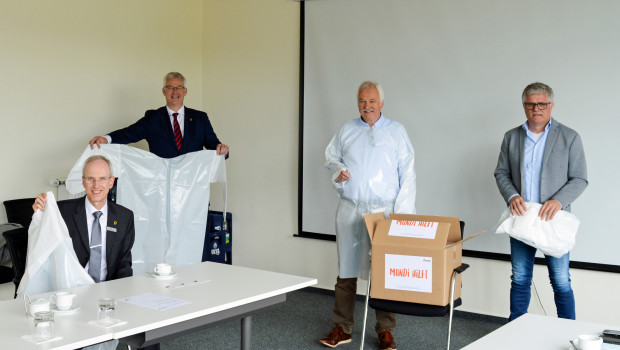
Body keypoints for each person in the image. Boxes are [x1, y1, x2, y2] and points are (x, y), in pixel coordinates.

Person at [321, 81, 416, 350]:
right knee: (346, 271)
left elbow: (408, 174)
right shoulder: (347, 130)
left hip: (383, 212)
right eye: (362, 101)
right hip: (351, 209)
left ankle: (385, 330)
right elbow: (331, 157)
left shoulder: (396, 132)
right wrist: (338, 169)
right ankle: (342, 327)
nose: (367, 106)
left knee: (384, 272)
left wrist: (402, 217)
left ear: (382, 103)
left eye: (372, 101)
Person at [494, 82, 588, 321]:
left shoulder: (569, 137)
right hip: (523, 217)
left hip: (553, 219)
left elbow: (580, 178)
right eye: (531, 104)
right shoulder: (511, 137)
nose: (536, 108)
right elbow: (501, 172)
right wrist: (512, 195)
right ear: (524, 106)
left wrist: (558, 201)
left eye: (542, 104)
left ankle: (568, 332)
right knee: (520, 277)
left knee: (560, 280)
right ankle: (515, 330)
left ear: (551, 105)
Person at [33, 155, 135, 282]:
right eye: (91, 179)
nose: (96, 185)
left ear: (111, 182)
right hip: (71, 289)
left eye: (102, 179)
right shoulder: (61, 211)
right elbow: (41, 247)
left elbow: (124, 265)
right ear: (83, 181)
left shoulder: (125, 217)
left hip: (108, 290)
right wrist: (40, 215)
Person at [88, 72, 229, 158]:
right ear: (163, 91)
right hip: (162, 187)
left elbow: (213, 145)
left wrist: (222, 149)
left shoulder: (200, 118)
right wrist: (106, 139)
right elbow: (129, 133)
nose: (175, 91)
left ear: (185, 91)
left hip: (193, 185)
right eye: (170, 87)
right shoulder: (153, 118)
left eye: (179, 87)